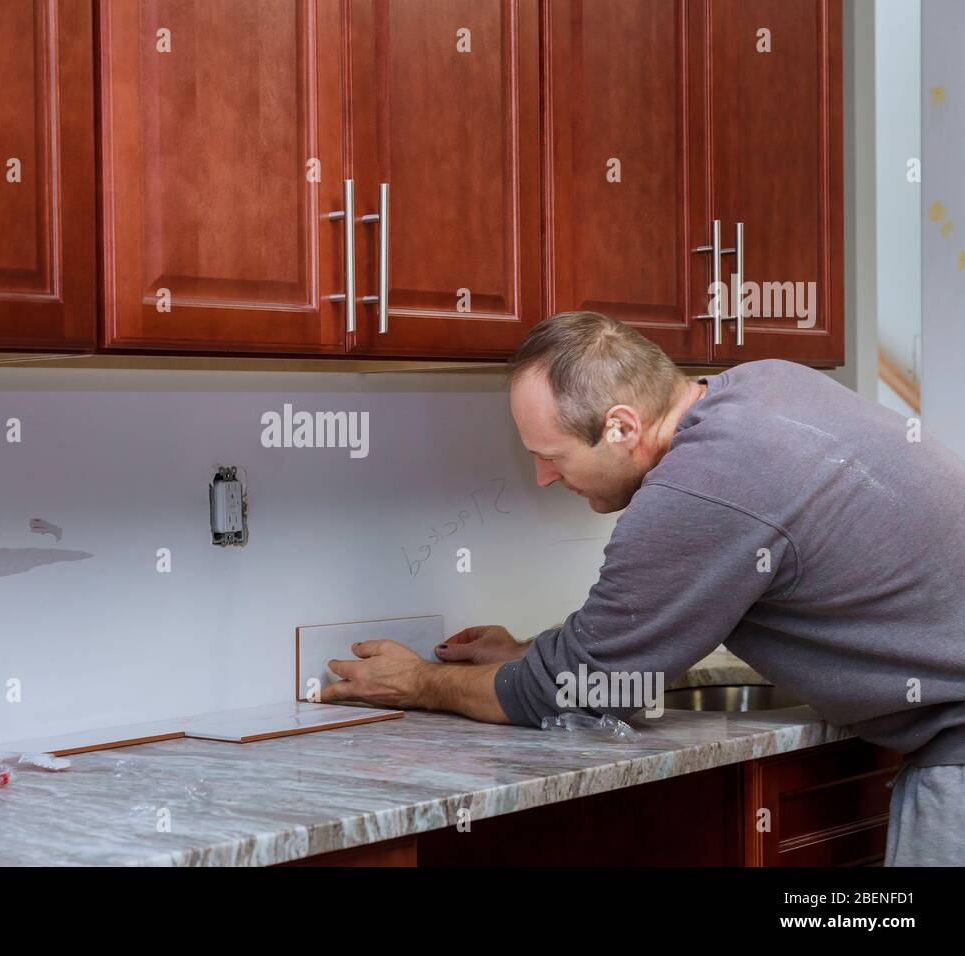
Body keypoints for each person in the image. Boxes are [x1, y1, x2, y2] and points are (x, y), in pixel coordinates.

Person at [320, 310, 965, 866]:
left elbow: (584, 687)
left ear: (622, 427)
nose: (543, 477)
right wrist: (529, 652)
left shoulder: (698, 488)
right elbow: (622, 645)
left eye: (553, 455)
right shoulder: (767, 384)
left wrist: (417, 684)